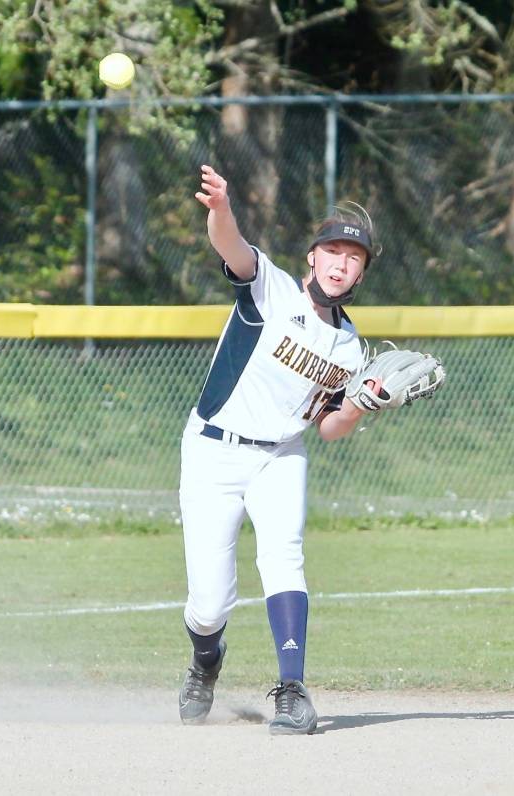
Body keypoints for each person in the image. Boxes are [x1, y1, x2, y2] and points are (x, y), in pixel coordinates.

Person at [177, 164, 382, 736]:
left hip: (280, 455)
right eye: (334, 252)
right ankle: (205, 660)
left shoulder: (349, 345)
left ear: (361, 273)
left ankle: (292, 691)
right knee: (210, 601)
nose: (342, 264)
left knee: (283, 557)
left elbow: (330, 426)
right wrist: (220, 208)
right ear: (312, 257)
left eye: (354, 258)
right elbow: (233, 247)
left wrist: (367, 401)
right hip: (214, 452)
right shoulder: (272, 289)